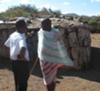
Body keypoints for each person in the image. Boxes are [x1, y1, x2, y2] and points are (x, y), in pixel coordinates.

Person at [37, 18, 74, 91]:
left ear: (49, 24)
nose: (42, 26)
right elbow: (40, 44)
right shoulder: (41, 32)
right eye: (42, 24)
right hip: (44, 60)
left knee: (52, 78)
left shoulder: (55, 33)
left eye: (43, 24)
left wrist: (63, 57)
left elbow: (61, 45)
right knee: (48, 78)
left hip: (53, 59)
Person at [4, 19, 30, 91]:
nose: (26, 28)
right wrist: (23, 58)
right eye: (25, 26)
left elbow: (6, 45)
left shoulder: (13, 35)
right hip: (22, 63)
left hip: (14, 62)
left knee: (17, 81)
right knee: (22, 84)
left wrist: (11, 55)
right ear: (22, 27)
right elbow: (23, 48)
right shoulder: (21, 37)